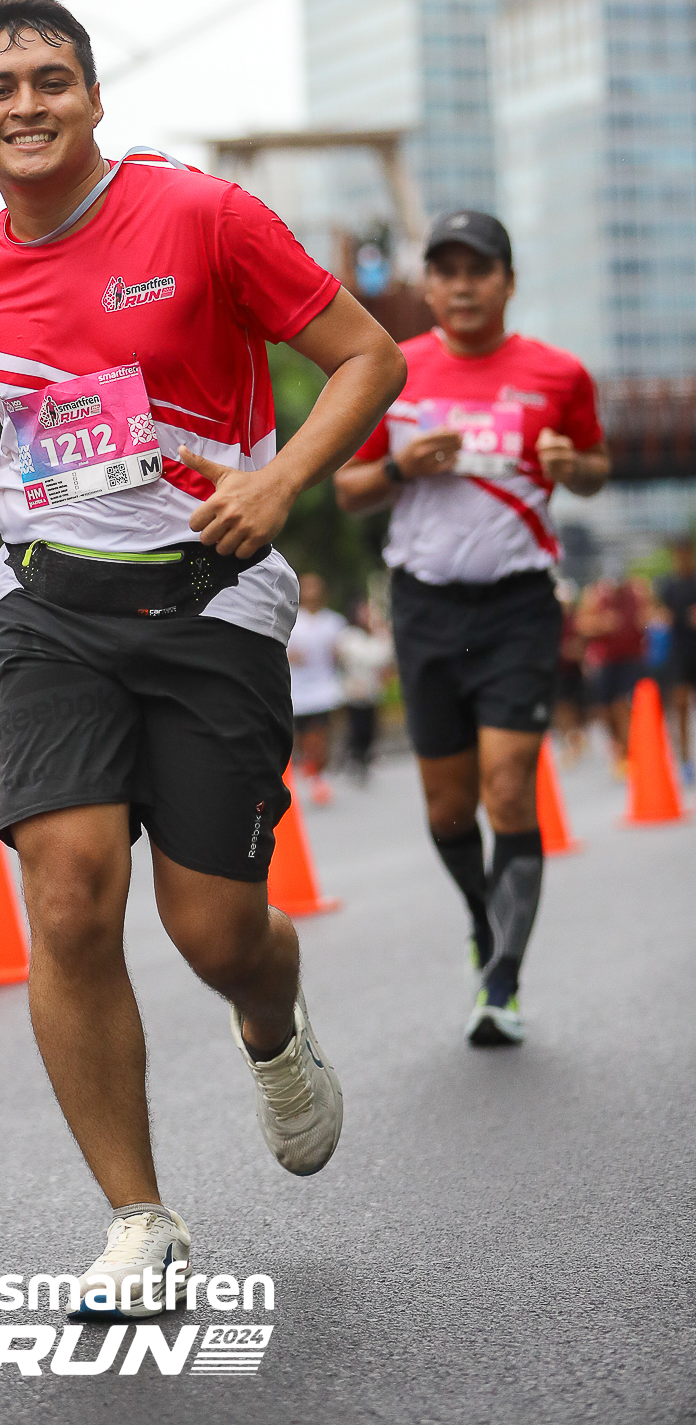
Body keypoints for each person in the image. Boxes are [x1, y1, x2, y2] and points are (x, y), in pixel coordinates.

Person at [0, 0, 404, 1309]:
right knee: (69, 894)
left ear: (92, 96)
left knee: (215, 931)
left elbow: (367, 359)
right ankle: (139, 1219)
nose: (26, 104)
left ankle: (270, 1022)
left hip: (209, 600)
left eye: (49, 79)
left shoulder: (201, 216)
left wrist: (280, 479)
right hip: (48, 610)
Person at [335, 209, 609, 1048]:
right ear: (429, 285)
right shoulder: (392, 368)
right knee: (449, 806)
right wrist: (400, 466)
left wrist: (572, 465)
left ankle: (503, 980)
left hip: (519, 605)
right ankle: (482, 919)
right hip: (425, 607)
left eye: (478, 270)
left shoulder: (559, 374)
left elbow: (596, 469)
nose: (461, 286)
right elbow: (347, 488)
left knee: (509, 786)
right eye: (446, 270)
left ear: (508, 282)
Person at [576, 572, 647, 772]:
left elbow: (649, 618)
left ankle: (628, 751)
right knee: (605, 710)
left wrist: (645, 621)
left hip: (630, 658)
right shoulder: (596, 594)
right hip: (605, 661)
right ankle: (618, 745)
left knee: (622, 704)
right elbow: (581, 625)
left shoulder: (637, 591)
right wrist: (602, 624)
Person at [286, 573, 346, 804]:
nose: (312, 593)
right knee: (303, 739)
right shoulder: (291, 621)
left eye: (315, 588)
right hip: (298, 692)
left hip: (324, 690)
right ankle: (312, 770)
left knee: (320, 735)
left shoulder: (333, 622)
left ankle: (319, 775)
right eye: (307, 588)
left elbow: (341, 653)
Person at [335, 599, 393, 781]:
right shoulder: (349, 636)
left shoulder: (374, 636)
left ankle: (365, 758)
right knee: (357, 727)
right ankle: (354, 758)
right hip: (355, 690)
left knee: (370, 727)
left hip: (372, 691)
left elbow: (385, 658)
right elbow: (369, 658)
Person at [657, 536, 696, 786]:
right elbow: (658, 613)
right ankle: (685, 760)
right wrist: (661, 618)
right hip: (679, 652)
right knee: (680, 705)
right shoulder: (667, 585)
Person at [552, 580, 588, 764]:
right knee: (561, 708)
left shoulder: (575, 620)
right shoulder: (550, 621)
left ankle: (575, 739)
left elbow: (584, 642)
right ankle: (569, 741)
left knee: (575, 708)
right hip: (557, 670)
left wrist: (579, 652)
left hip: (573, 671)